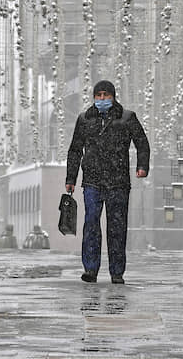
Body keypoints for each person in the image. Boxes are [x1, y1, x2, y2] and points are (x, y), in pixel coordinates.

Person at [66, 80, 150, 284]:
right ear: (94, 97)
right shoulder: (85, 119)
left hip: (118, 182)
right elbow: (75, 150)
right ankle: (91, 269)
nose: (102, 99)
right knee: (91, 223)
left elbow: (142, 143)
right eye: (99, 95)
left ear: (113, 96)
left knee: (117, 227)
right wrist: (71, 178)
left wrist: (142, 167)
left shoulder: (127, 118)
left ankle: (117, 271)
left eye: (106, 95)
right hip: (92, 181)